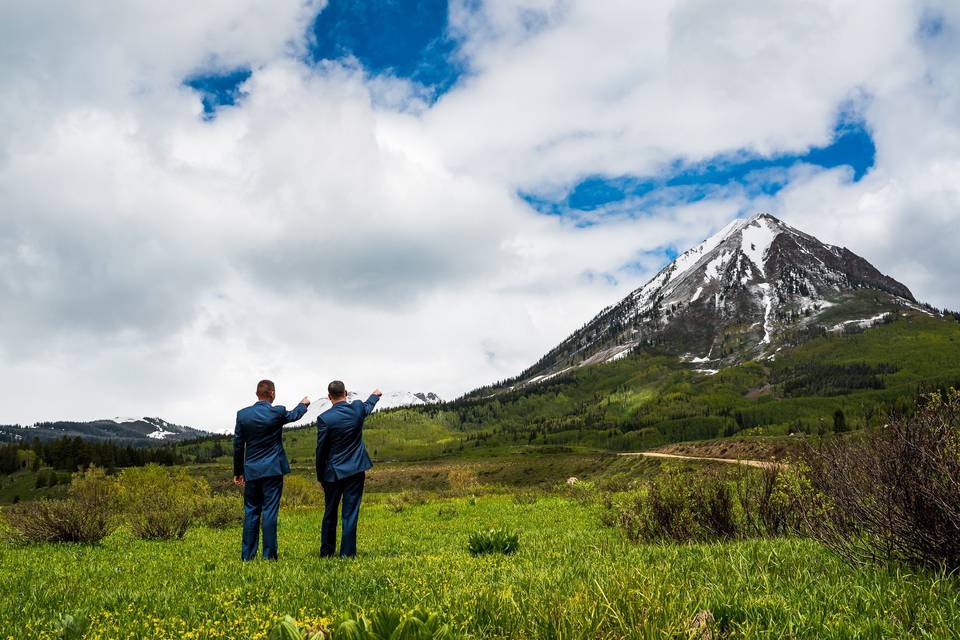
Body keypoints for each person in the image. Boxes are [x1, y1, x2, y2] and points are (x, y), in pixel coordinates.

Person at [233, 379, 310, 561]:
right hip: (273, 470)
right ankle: (269, 556)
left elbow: (238, 445)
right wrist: (303, 404)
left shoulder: (242, 415)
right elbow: (294, 415)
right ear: (273, 393)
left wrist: (238, 471)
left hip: (251, 470)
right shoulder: (278, 412)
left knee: (251, 511)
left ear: (256, 393)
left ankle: (247, 556)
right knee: (269, 512)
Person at [315, 380, 381, 558]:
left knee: (330, 512)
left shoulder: (324, 419)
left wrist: (320, 476)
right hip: (355, 471)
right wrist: (375, 395)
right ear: (346, 393)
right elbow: (367, 406)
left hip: (332, 472)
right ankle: (347, 554)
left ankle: (327, 552)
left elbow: (320, 451)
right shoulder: (357, 409)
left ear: (329, 397)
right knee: (350, 513)